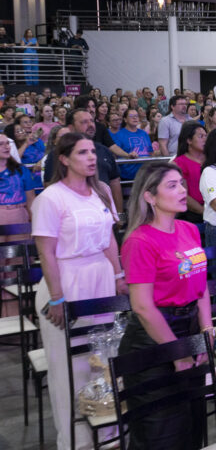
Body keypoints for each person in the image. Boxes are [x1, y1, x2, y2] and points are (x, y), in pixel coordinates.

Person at [33, 132, 125, 450]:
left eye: (92, 152)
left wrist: (118, 275)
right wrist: (57, 298)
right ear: (64, 158)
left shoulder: (100, 190)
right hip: (66, 280)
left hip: (100, 276)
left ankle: (108, 430)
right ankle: (77, 440)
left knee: (103, 356)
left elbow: (111, 238)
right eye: (83, 152)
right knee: (70, 367)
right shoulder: (51, 198)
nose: (91, 157)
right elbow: (46, 251)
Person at [118, 163, 212, 449]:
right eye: (171, 186)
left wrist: (206, 328)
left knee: (192, 428)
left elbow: (201, 284)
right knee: (161, 435)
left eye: (182, 184)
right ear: (149, 196)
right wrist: (177, 353)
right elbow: (143, 307)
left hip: (190, 330)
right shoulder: (139, 240)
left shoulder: (188, 230)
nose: (183, 191)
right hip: (152, 343)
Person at [0, 135, 35, 241]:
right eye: (1, 144)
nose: (6, 147)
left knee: (20, 255)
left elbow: (31, 199)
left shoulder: (21, 170)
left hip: (19, 215)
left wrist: (35, 223)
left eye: (7, 143)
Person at [113, 107, 154, 182]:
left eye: (137, 116)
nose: (135, 118)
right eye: (131, 116)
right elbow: (115, 155)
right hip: (128, 176)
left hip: (146, 174)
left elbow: (150, 152)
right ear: (125, 119)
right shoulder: (118, 135)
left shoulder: (144, 133)